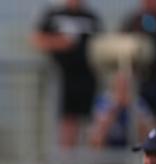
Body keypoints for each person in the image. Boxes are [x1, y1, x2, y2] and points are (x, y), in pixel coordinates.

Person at [31, 0, 103, 148]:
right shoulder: (53, 15)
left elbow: (102, 45)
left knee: (90, 123)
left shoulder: (91, 17)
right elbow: (37, 39)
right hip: (62, 80)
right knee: (66, 122)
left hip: (88, 80)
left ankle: (87, 158)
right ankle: (66, 159)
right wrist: (61, 43)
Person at [89, 71, 154, 149]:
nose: (123, 89)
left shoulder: (138, 103)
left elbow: (150, 135)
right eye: (120, 85)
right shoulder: (103, 102)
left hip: (130, 148)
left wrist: (133, 110)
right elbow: (96, 137)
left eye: (126, 86)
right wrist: (115, 109)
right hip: (107, 150)